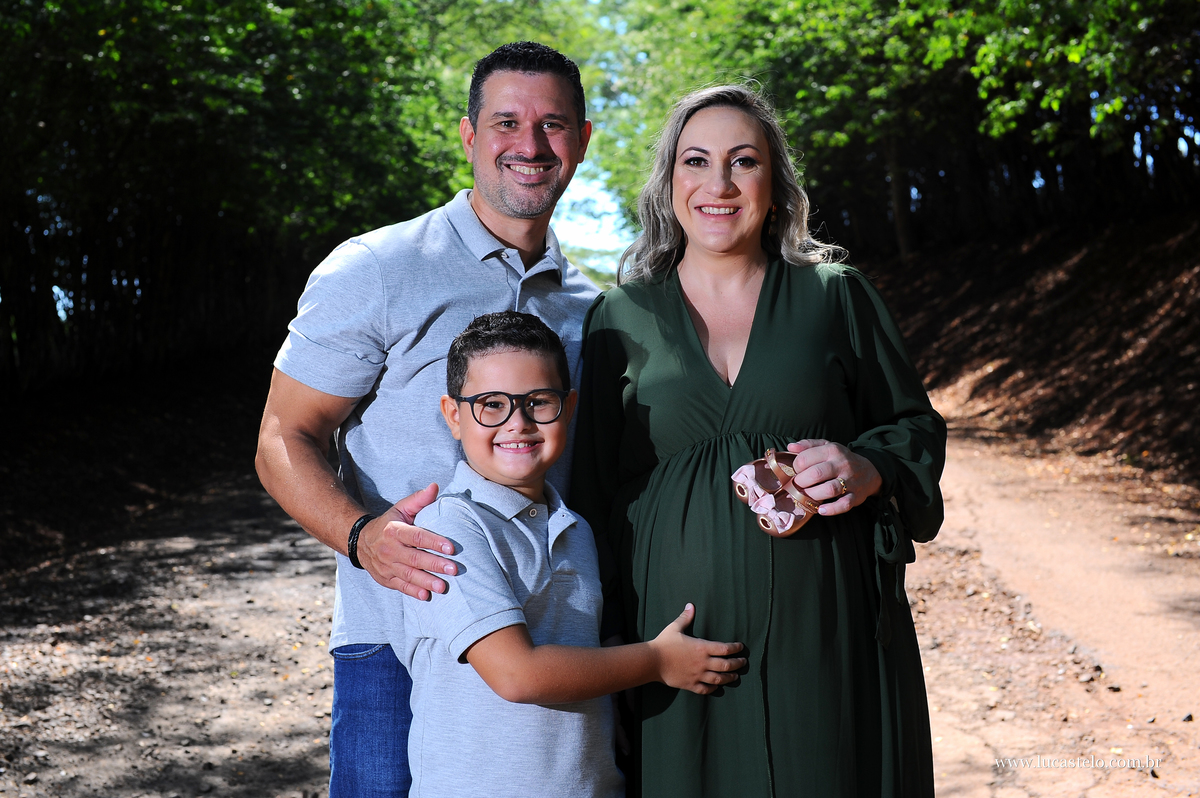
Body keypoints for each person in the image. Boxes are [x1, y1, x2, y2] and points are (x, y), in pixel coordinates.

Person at [571, 84, 947, 797]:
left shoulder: (835, 295)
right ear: (669, 182)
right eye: (696, 161)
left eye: (743, 162)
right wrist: (613, 653)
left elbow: (914, 426)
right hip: (673, 649)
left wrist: (869, 465)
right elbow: (590, 496)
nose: (719, 184)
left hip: (825, 630)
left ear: (775, 186)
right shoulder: (618, 316)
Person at [255, 42, 599, 797]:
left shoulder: (590, 307)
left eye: (552, 124)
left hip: (546, 644)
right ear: (470, 135)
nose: (530, 144)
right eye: (506, 122)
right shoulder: (377, 267)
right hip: (396, 641)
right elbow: (283, 436)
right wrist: (361, 536)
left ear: (582, 139)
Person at [376, 310, 745, 797]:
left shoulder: (576, 529)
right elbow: (517, 674)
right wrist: (657, 661)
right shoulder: (450, 527)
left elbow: (585, 657)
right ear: (453, 416)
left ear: (568, 407)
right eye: (492, 405)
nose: (518, 423)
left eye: (538, 402)